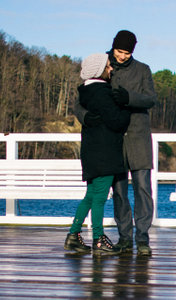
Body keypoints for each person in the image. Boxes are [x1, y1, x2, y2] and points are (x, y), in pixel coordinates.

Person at [75, 30, 158, 256]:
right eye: (120, 52)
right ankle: (124, 239)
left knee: (143, 190)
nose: (122, 56)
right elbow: (81, 100)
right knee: (119, 193)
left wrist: (129, 98)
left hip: (138, 139)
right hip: (112, 142)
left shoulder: (142, 70)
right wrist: (85, 117)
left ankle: (142, 239)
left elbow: (151, 98)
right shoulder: (101, 65)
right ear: (113, 47)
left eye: (127, 52)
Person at [64, 53, 131, 256]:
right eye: (108, 66)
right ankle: (99, 240)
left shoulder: (86, 92)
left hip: (91, 152)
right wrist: (126, 106)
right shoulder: (102, 92)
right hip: (105, 153)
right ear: (100, 70)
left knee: (90, 196)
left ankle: (73, 236)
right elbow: (117, 121)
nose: (111, 69)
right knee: (100, 198)